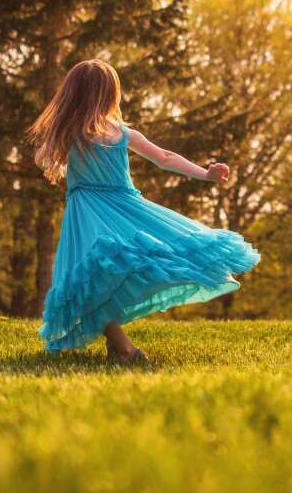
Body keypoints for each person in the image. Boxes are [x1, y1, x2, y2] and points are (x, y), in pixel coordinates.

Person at [26, 59, 261, 364]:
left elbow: (42, 161)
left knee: (87, 280)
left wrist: (71, 161)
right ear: (111, 95)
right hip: (124, 208)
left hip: (86, 213)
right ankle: (122, 347)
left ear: (71, 95)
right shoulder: (120, 132)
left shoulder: (68, 133)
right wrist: (205, 174)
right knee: (122, 268)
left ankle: (124, 349)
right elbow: (164, 157)